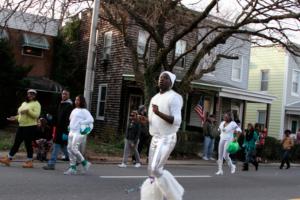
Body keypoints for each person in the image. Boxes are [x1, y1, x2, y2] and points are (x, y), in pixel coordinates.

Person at [140, 71, 184, 200]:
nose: (161, 79)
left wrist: (158, 113)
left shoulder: (174, 97)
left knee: (156, 168)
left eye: (165, 78)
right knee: (150, 171)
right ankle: (154, 197)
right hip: (155, 137)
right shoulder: (154, 98)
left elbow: (176, 120)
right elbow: (151, 120)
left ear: (171, 83)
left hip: (168, 136)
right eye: (160, 77)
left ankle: (174, 195)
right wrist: (142, 120)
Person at [0, 89, 41, 168]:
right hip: (21, 125)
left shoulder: (36, 104)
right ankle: (8, 159)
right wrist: (15, 118)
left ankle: (30, 162)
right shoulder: (24, 103)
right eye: (29, 94)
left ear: (35, 96)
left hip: (30, 126)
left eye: (32, 94)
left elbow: (36, 115)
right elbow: (21, 114)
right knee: (16, 143)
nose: (30, 95)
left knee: (28, 144)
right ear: (27, 94)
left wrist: (28, 111)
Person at [64, 95, 94, 175]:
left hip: (78, 132)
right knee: (69, 149)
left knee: (74, 148)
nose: (76, 101)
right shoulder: (74, 110)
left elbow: (91, 119)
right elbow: (71, 119)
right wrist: (69, 126)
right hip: (71, 131)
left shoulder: (84, 111)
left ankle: (84, 163)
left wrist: (82, 123)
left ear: (81, 101)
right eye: (75, 100)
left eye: (78, 100)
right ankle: (73, 168)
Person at [43, 89, 73, 170]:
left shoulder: (69, 106)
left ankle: (51, 164)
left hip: (63, 130)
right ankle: (75, 159)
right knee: (63, 147)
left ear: (69, 96)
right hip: (59, 129)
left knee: (56, 146)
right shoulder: (61, 104)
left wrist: (66, 132)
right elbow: (57, 118)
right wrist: (51, 118)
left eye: (66, 94)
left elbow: (68, 120)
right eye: (63, 94)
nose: (64, 95)